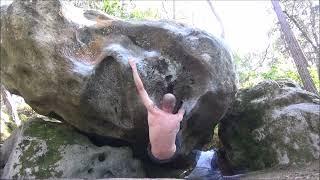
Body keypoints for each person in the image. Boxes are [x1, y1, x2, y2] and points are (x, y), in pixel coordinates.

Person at [128, 58, 185, 164]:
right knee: (177, 131)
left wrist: (134, 67)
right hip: (171, 156)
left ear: (161, 102)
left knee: (154, 138)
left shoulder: (152, 109)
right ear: (173, 106)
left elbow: (141, 89)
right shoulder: (177, 118)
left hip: (153, 157)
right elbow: (182, 112)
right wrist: (183, 106)